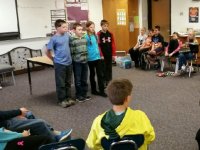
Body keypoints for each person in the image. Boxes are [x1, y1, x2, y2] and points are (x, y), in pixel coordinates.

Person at [86, 79, 155, 150]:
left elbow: (91, 144)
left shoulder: (98, 121)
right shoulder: (140, 116)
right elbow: (150, 137)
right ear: (127, 98)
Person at [46, 19, 76, 108]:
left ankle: (68, 98)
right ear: (57, 28)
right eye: (64, 27)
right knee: (61, 83)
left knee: (68, 82)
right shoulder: (54, 38)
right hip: (60, 64)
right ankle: (61, 100)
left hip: (69, 63)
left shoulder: (67, 36)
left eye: (66, 27)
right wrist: (53, 59)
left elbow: (71, 43)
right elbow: (47, 51)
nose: (66, 28)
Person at [0, 107, 73, 143]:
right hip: (4, 128)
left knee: (28, 113)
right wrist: (18, 112)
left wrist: (18, 113)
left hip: (4, 120)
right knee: (40, 123)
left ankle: (53, 133)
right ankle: (54, 143)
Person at [69, 22, 91, 102]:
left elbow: (86, 49)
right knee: (78, 79)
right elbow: (71, 52)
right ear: (74, 30)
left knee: (84, 79)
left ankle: (84, 94)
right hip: (77, 62)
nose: (81, 31)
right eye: (79, 30)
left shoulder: (84, 38)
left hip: (85, 61)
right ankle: (78, 95)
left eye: (81, 29)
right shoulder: (72, 40)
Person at [85, 21, 107, 97]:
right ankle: (93, 90)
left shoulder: (95, 35)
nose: (93, 29)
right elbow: (85, 47)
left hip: (97, 58)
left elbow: (98, 46)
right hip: (90, 59)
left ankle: (102, 91)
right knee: (92, 74)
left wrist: (101, 55)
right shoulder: (86, 36)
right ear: (87, 28)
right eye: (91, 27)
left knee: (100, 74)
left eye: (93, 27)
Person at [97, 20, 116, 86]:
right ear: (101, 26)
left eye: (107, 26)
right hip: (103, 55)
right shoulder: (98, 34)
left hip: (109, 53)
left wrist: (113, 54)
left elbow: (113, 44)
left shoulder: (110, 34)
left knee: (109, 67)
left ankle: (109, 80)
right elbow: (98, 45)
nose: (106, 27)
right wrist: (101, 54)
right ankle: (104, 81)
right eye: (104, 26)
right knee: (103, 68)